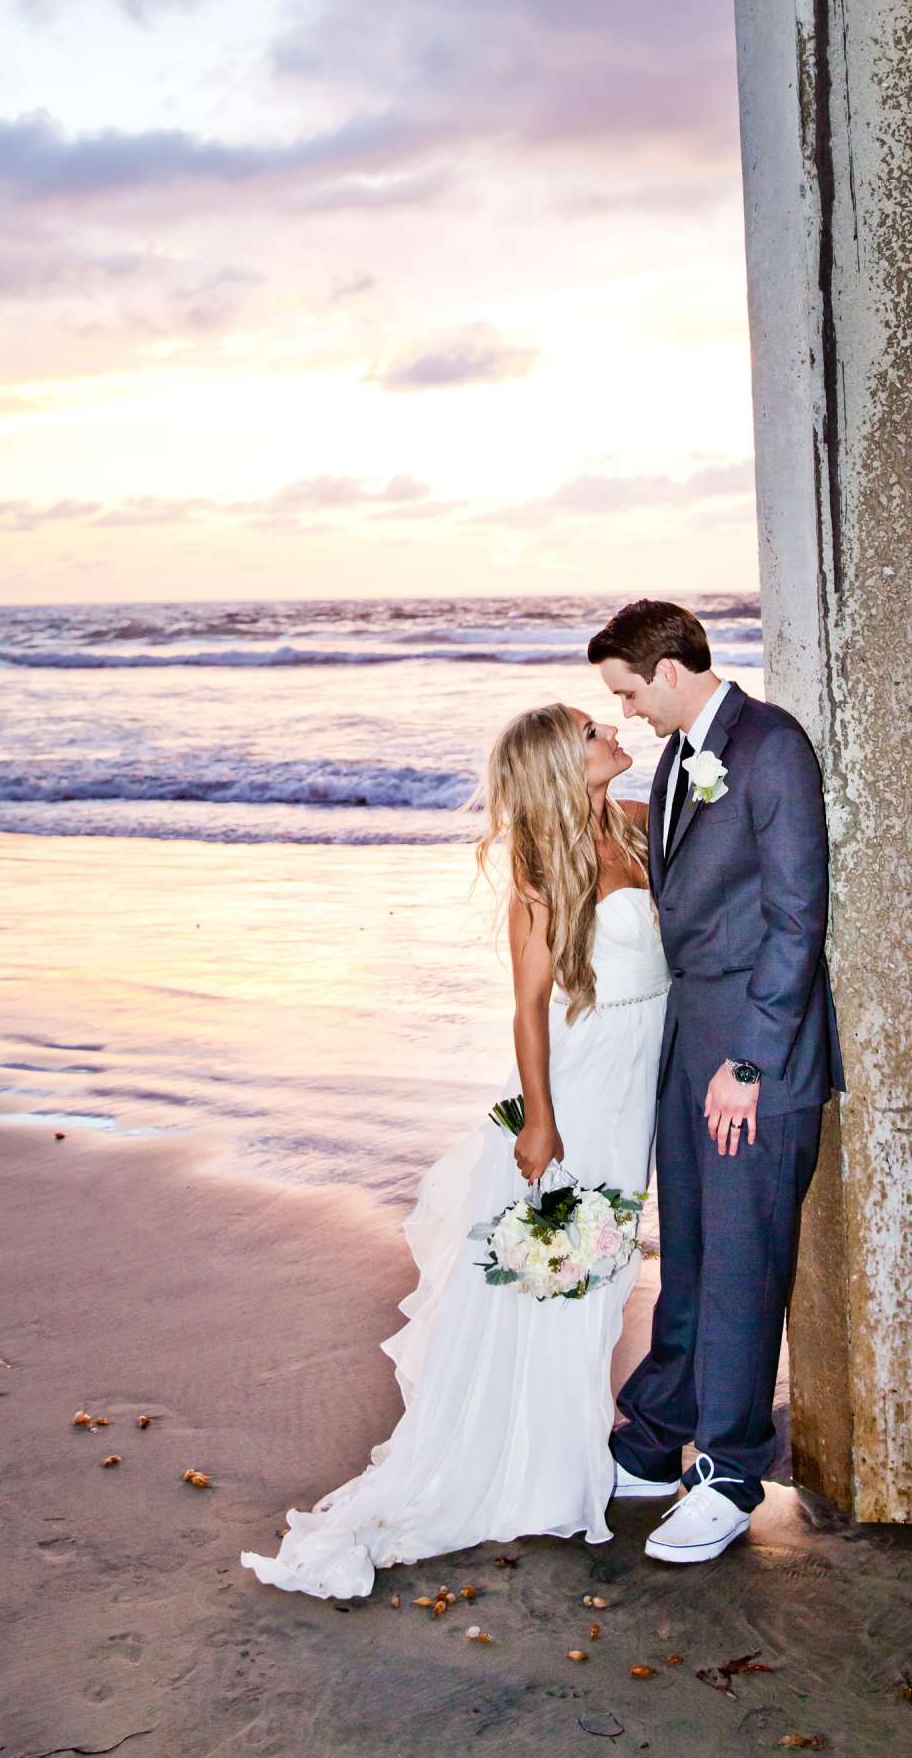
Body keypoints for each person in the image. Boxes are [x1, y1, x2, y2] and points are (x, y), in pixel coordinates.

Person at [239, 702, 669, 1600]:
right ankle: (541, 1465)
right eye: (594, 732)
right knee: (574, 1271)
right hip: (587, 1087)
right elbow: (527, 1009)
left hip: (643, 1076)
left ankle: (566, 1447)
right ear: (562, 762)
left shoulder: (636, 822)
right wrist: (541, 1120)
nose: (611, 737)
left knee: (605, 1272)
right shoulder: (543, 870)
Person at [589, 598, 841, 1565]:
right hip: (694, 1045)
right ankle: (655, 1441)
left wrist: (749, 1060)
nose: (626, 710)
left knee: (741, 1265)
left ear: (666, 671)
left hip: (753, 1061)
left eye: (625, 691)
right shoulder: (678, 753)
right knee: (689, 1256)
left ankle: (730, 1474)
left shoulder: (770, 746)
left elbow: (796, 918)